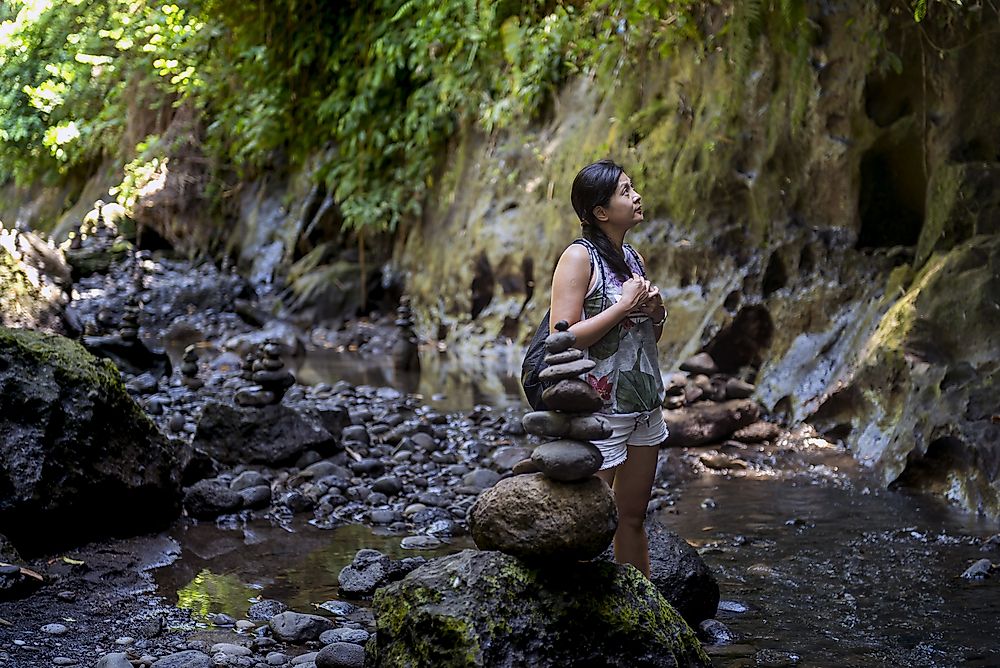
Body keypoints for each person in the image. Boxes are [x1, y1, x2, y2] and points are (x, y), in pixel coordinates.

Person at [549, 158, 667, 577]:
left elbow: (648, 337)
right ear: (600, 211)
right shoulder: (578, 258)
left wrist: (654, 312)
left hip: (644, 403)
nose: (636, 197)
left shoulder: (632, 256)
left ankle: (646, 612)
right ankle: (573, 613)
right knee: (589, 521)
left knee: (632, 518)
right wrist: (624, 306)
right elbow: (562, 336)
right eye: (625, 191)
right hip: (599, 411)